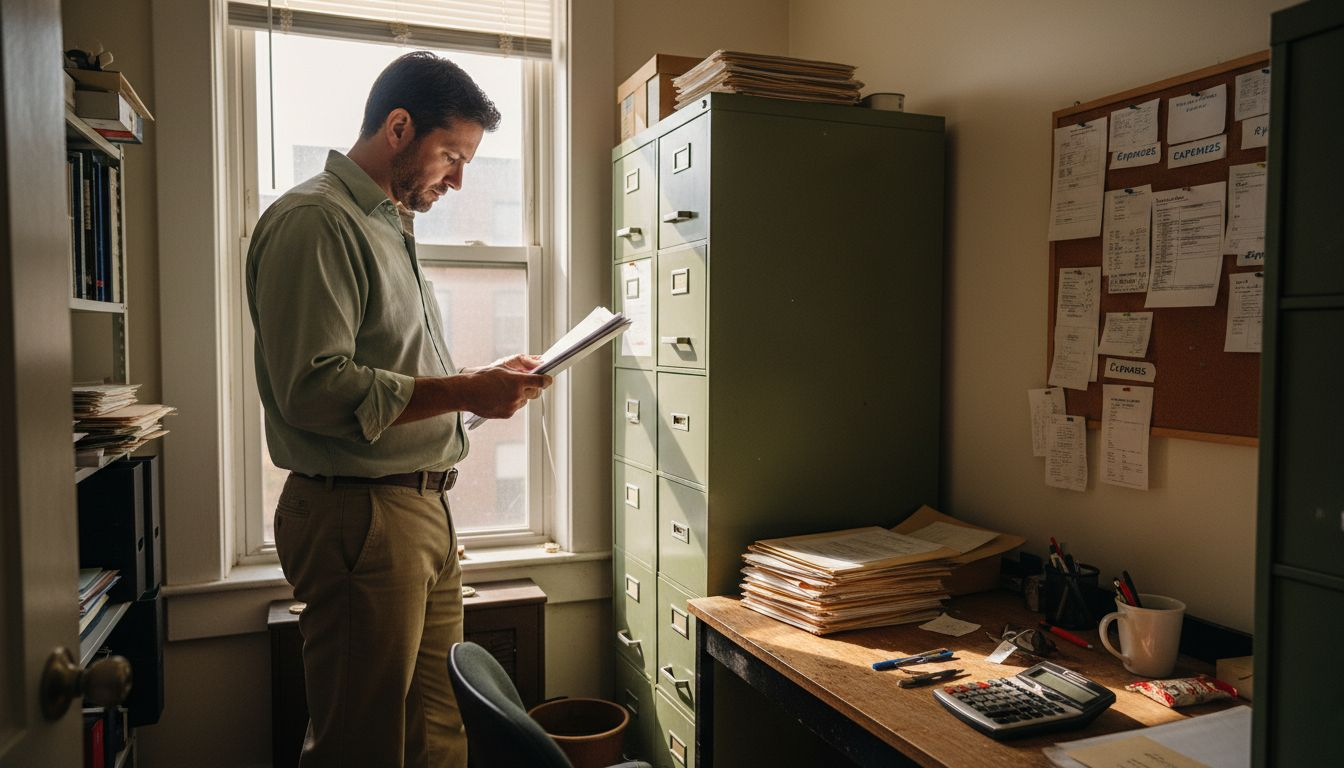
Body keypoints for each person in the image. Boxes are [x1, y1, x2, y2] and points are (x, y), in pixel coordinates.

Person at [246, 51, 551, 768]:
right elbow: (315, 390)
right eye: (452, 155)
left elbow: (393, 374)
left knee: (438, 734)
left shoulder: (390, 226)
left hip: (419, 514)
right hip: (361, 517)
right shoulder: (316, 221)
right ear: (399, 127)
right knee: (363, 744)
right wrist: (465, 389)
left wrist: (476, 386)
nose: (459, 178)